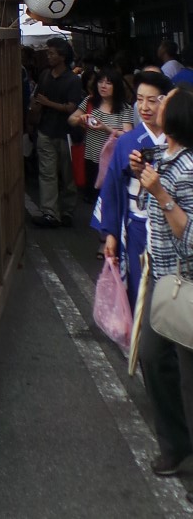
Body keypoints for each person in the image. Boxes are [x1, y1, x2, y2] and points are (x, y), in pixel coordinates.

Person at [133, 88, 193, 480]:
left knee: (190, 381)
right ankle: (175, 445)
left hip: (186, 283)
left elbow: (190, 238)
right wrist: (143, 178)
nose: (150, 105)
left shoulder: (189, 167)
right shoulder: (163, 155)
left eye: (161, 101)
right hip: (162, 279)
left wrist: (160, 192)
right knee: (153, 360)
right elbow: (143, 208)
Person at [92, 70, 170, 306]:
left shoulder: (177, 139)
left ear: (165, 101)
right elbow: (112, 190)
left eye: (152, 100)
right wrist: (111, 234)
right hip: (137, 224)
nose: (144, 107)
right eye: (139, 99)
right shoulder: (126, 141)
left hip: (170, 226)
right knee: (139, 292)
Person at [31, 36, 83, 229]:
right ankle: (50, 212)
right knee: (47, 173)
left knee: (67, 175)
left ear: (62, 56)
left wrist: (48, 104)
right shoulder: (45, 75)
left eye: (51, 53)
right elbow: (37, 98)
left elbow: (71, 107)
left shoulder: (72, 80)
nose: (48, 55)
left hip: (66, 133)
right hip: (46, 129)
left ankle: (67, 210)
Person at [68, 65, 133, 199]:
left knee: (111, 198)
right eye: (100, 82)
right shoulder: (90, 101)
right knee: (93, 199)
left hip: (112, 161)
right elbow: (71, 119)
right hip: (91, 159)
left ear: (116, 86)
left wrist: (106, 128)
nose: (103, 86)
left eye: (108, 83)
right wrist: (80, 119)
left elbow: (128, 135)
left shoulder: (124, 108)